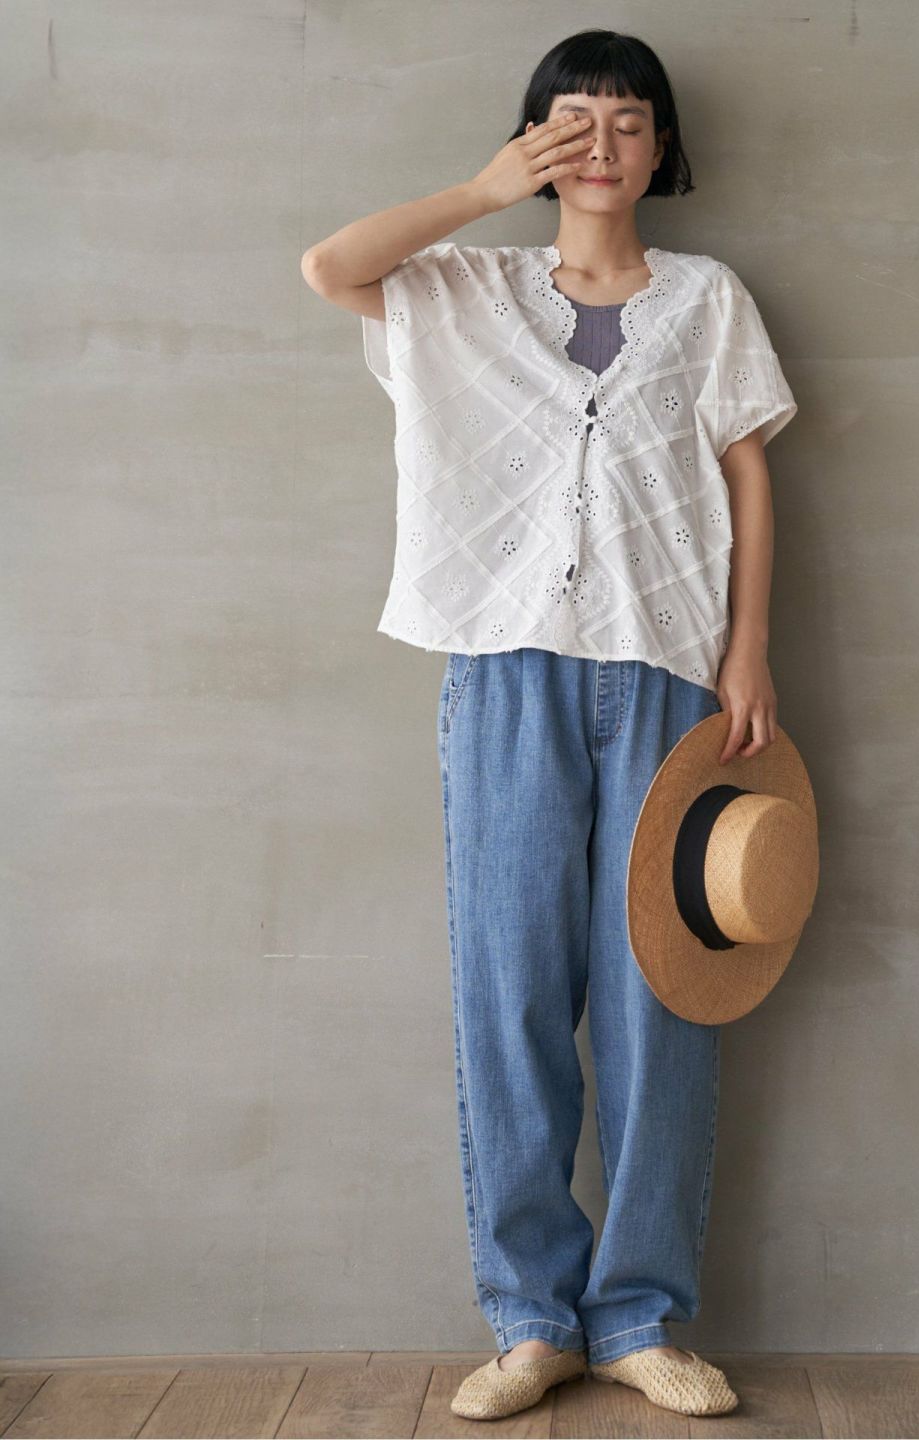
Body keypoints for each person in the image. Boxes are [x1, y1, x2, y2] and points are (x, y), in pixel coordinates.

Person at [301, 27, 796, 1420]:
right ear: (532, 140)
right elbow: (330, 267)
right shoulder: (462, 288)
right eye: (571, 120)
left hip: (669, 677)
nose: (599, 143)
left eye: (627, 121)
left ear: (662, 146)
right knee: (509, 992)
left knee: (660, 999)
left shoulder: (708, 299)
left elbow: (749, 475)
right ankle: (532, 1320)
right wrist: (480, 190)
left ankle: (639, 1316)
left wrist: (748, 651)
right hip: (504, 673)